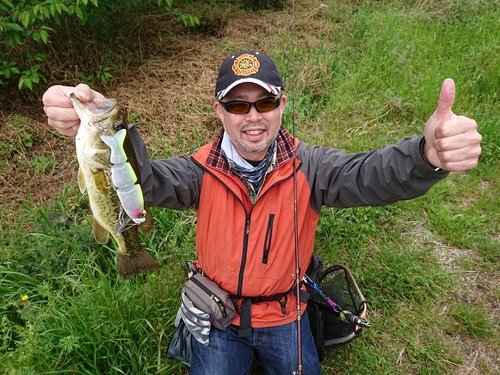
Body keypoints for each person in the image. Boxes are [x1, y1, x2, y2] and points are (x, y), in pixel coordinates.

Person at [42, 50, 482, 375]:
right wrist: (104, 129)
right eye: (237, 105)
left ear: (282, 106)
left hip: (286, 315)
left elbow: (372, 175)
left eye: (264, 103)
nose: (252, 117)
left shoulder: (313, 167)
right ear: (219, 111)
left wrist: (427, 155)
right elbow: (144, 182)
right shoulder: (198, 170)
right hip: (218, 315)